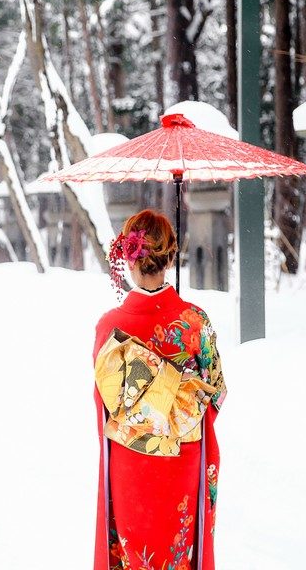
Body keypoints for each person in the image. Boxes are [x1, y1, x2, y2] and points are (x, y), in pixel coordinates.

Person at [92, 209, 226, 570]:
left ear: (128, 259)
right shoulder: (195, 322)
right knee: (177, 556)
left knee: (136, 556)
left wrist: (146, 403)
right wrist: (176, 398)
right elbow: (216, 395)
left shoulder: (110, 326)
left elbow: (104, 404)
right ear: (170, 257)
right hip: (182, 460)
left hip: (130, 464)